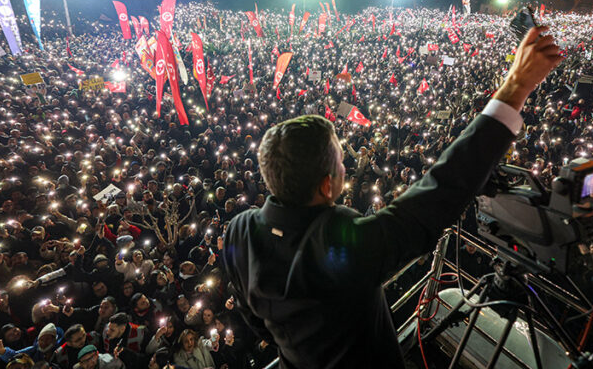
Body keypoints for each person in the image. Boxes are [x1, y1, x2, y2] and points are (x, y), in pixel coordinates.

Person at [221, 25, 562, 367]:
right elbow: (440, 192)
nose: (345, 166)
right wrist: (516, 85)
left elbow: (256, 321)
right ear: (327, 185)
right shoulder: (339, 242)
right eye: (341, 161)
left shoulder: (239, 231)